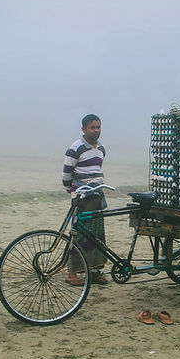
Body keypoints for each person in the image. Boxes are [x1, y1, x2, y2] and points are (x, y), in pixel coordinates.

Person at [62, 114, 108, 285]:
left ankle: (94, 271)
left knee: (97, 235)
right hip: (81, 198)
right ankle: (72, 273)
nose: (96, 130)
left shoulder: (101, 148)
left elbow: (96, 169)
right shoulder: (76, 148)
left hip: (97, 196)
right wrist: (72, 191)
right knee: (79, 233)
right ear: (83, 129)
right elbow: (67, 173)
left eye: (98, 127)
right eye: (92, 127)